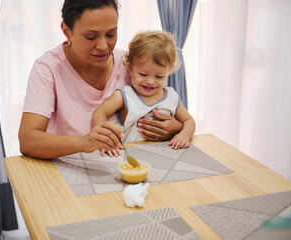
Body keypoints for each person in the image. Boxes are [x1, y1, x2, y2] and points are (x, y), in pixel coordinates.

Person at [19, 0, 182, 159]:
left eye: (111, 34)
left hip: (122, 163)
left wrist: (175, 128)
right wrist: (84, 142)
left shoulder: (131, 65)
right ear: (67, 31)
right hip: (67, 170)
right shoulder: (48, 68)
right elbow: (28, 141)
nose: (104, 46)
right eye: (91, 37)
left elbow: (164, 109)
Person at [93, 31, 195, 156]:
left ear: (169, 71)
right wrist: (105, 138)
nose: (150, 81)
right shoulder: (125, 94)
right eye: (143, 74)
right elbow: (99, 112)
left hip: (164, 155)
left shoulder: (172, 96)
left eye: (159, 76)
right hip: (129, 155)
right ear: (130, 68)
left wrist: (184, 134)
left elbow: (189, 120)